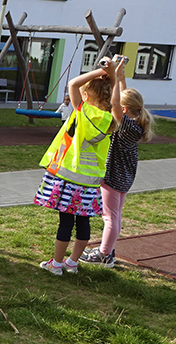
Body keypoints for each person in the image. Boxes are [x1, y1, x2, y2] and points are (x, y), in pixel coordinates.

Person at [35, 57, 118, 276]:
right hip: (90, 181)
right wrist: (114, 76)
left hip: (68, 176)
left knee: (65, 222)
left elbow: (73, 83)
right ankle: (72, 262)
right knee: (83, 222)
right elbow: (118, 101)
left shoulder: (81, 111)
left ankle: (56, 264)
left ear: (87, 94)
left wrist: (99, 71)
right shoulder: (111, 119)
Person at [81, 61, 154, 267]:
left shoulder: (126, 125)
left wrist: (114, 77)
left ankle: (104, 254)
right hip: (125, 177)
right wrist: (120, 78)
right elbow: (120, 101)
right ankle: (107, 250)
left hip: (114, 177)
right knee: (115, 215)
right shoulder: (136, 122)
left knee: (109, 217)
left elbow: (114, 104)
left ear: (123, 109)